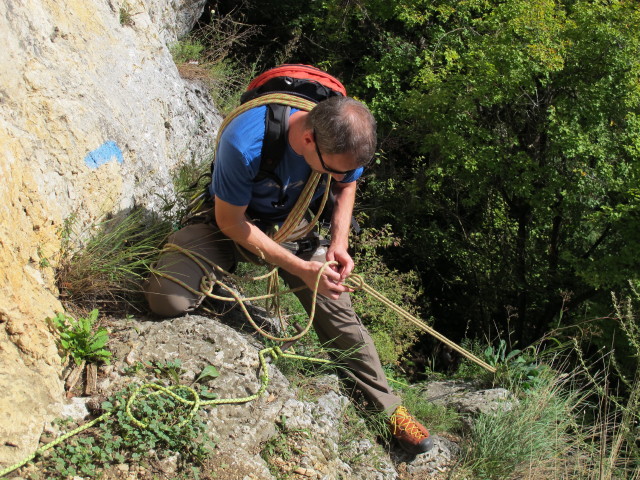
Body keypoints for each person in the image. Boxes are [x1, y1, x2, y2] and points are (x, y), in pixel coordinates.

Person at [144, 96, 434, 455]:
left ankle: (389, 410)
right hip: (233, 222)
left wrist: (339, 242)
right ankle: (209, 272)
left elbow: (346, 184)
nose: (337, 176)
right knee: (166, 300)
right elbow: (230, 222)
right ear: (309, 139)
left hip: (295, 226)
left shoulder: (337, 148)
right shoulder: (245, 143)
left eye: (345, 170)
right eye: (331, 169)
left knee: (339, 312)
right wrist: (301, 270)